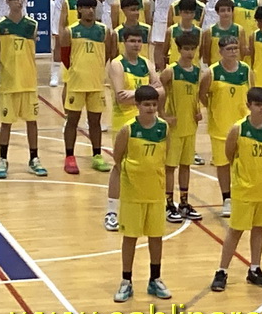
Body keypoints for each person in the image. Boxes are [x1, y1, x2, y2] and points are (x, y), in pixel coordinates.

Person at [210, 87, 262, 291]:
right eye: (257, 105)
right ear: (249, 105)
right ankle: (222, 271)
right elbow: (230, 154)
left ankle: (255, 269)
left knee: (259, 228)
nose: (261, 109)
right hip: (243, 189)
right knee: (235, 231)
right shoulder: (238, 129)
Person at [111, 85, 171, 302]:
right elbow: (117, 158)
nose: (151, 108)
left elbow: (165, 155)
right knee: (130, 238)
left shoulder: (163, 128)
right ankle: (126, 281)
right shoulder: (128, 129)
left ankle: (155, 279)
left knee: (156, 237)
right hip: (133, 195)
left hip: (155, 192)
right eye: (146, 104)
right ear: (137, 105)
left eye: (154, 104)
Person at [105, 26, 161, 231]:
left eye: (139, 41)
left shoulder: (147, 63)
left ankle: (145, 206)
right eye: (132, 41)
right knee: (120, 166)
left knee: (147, 163)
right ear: (124, 42)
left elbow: (160, 89)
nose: (136, 45)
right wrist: (147, 92)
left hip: (147, 119)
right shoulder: (117, 64)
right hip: (124, 121)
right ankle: (112, 211)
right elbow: (121, 97)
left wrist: (136, 94)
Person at [0, 0, 46, 179]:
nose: (19, 2)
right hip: (9, 84)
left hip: (28, 81)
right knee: (6, 123)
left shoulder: (32, 25)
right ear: (7, 1)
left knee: (32, 122)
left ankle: (34, 158)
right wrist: (3, 72)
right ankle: (3, 159)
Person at [199, 35, 253, 217]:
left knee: (243, 163)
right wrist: (214, 109)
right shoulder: (212, 72)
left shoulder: (246, 70)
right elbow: (202, 95)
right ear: (221, 51)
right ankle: (227, 198)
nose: (233, 52)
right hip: (220, 127)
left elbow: (252, 94)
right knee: (222, 164)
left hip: (243, 126)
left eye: (235, 48)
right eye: (229, 49)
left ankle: (242, 196)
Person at [60, 0, 111, 175]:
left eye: (93, 8)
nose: (90, 11)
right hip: (76, 83)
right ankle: (69, 156)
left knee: (95, 122)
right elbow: (65, 57)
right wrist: (78, 70)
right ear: (79, 10)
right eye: (86, 8)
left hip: (96, 83)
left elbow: (108, 53)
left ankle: (97, 155)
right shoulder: (70, 31)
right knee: (72, 121)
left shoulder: (104, 31)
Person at [160, 32, 203, 223]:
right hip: (174, 127)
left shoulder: (197, 72)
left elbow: (195, 95)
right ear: (179, 49)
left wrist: (198, 111)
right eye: (186, 49)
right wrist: (163, 114)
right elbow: (158, 91)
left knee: (186, 165)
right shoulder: (170, 71)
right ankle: (169, 203)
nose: (190, 53)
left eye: (193, 49)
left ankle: (184, 203)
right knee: (170, 167)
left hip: (190, 126)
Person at [200, 0, 246, 66]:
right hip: (216, 67)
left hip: (234, 67)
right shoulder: (210, 31)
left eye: (228, 10)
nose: (226, 13)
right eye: (222, 10)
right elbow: (206, 55)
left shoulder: (239, 29)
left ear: (232, 12)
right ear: (217, 12)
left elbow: (242, 52)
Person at [162, 0, 202, 68]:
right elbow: (164, 53)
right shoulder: (171, 31)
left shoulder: (200, 32)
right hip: (175, 69)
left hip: (193, 69)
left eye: (191, 13)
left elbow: (201, 53)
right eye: (186, 12)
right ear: (180, 12)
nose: (189, 16)